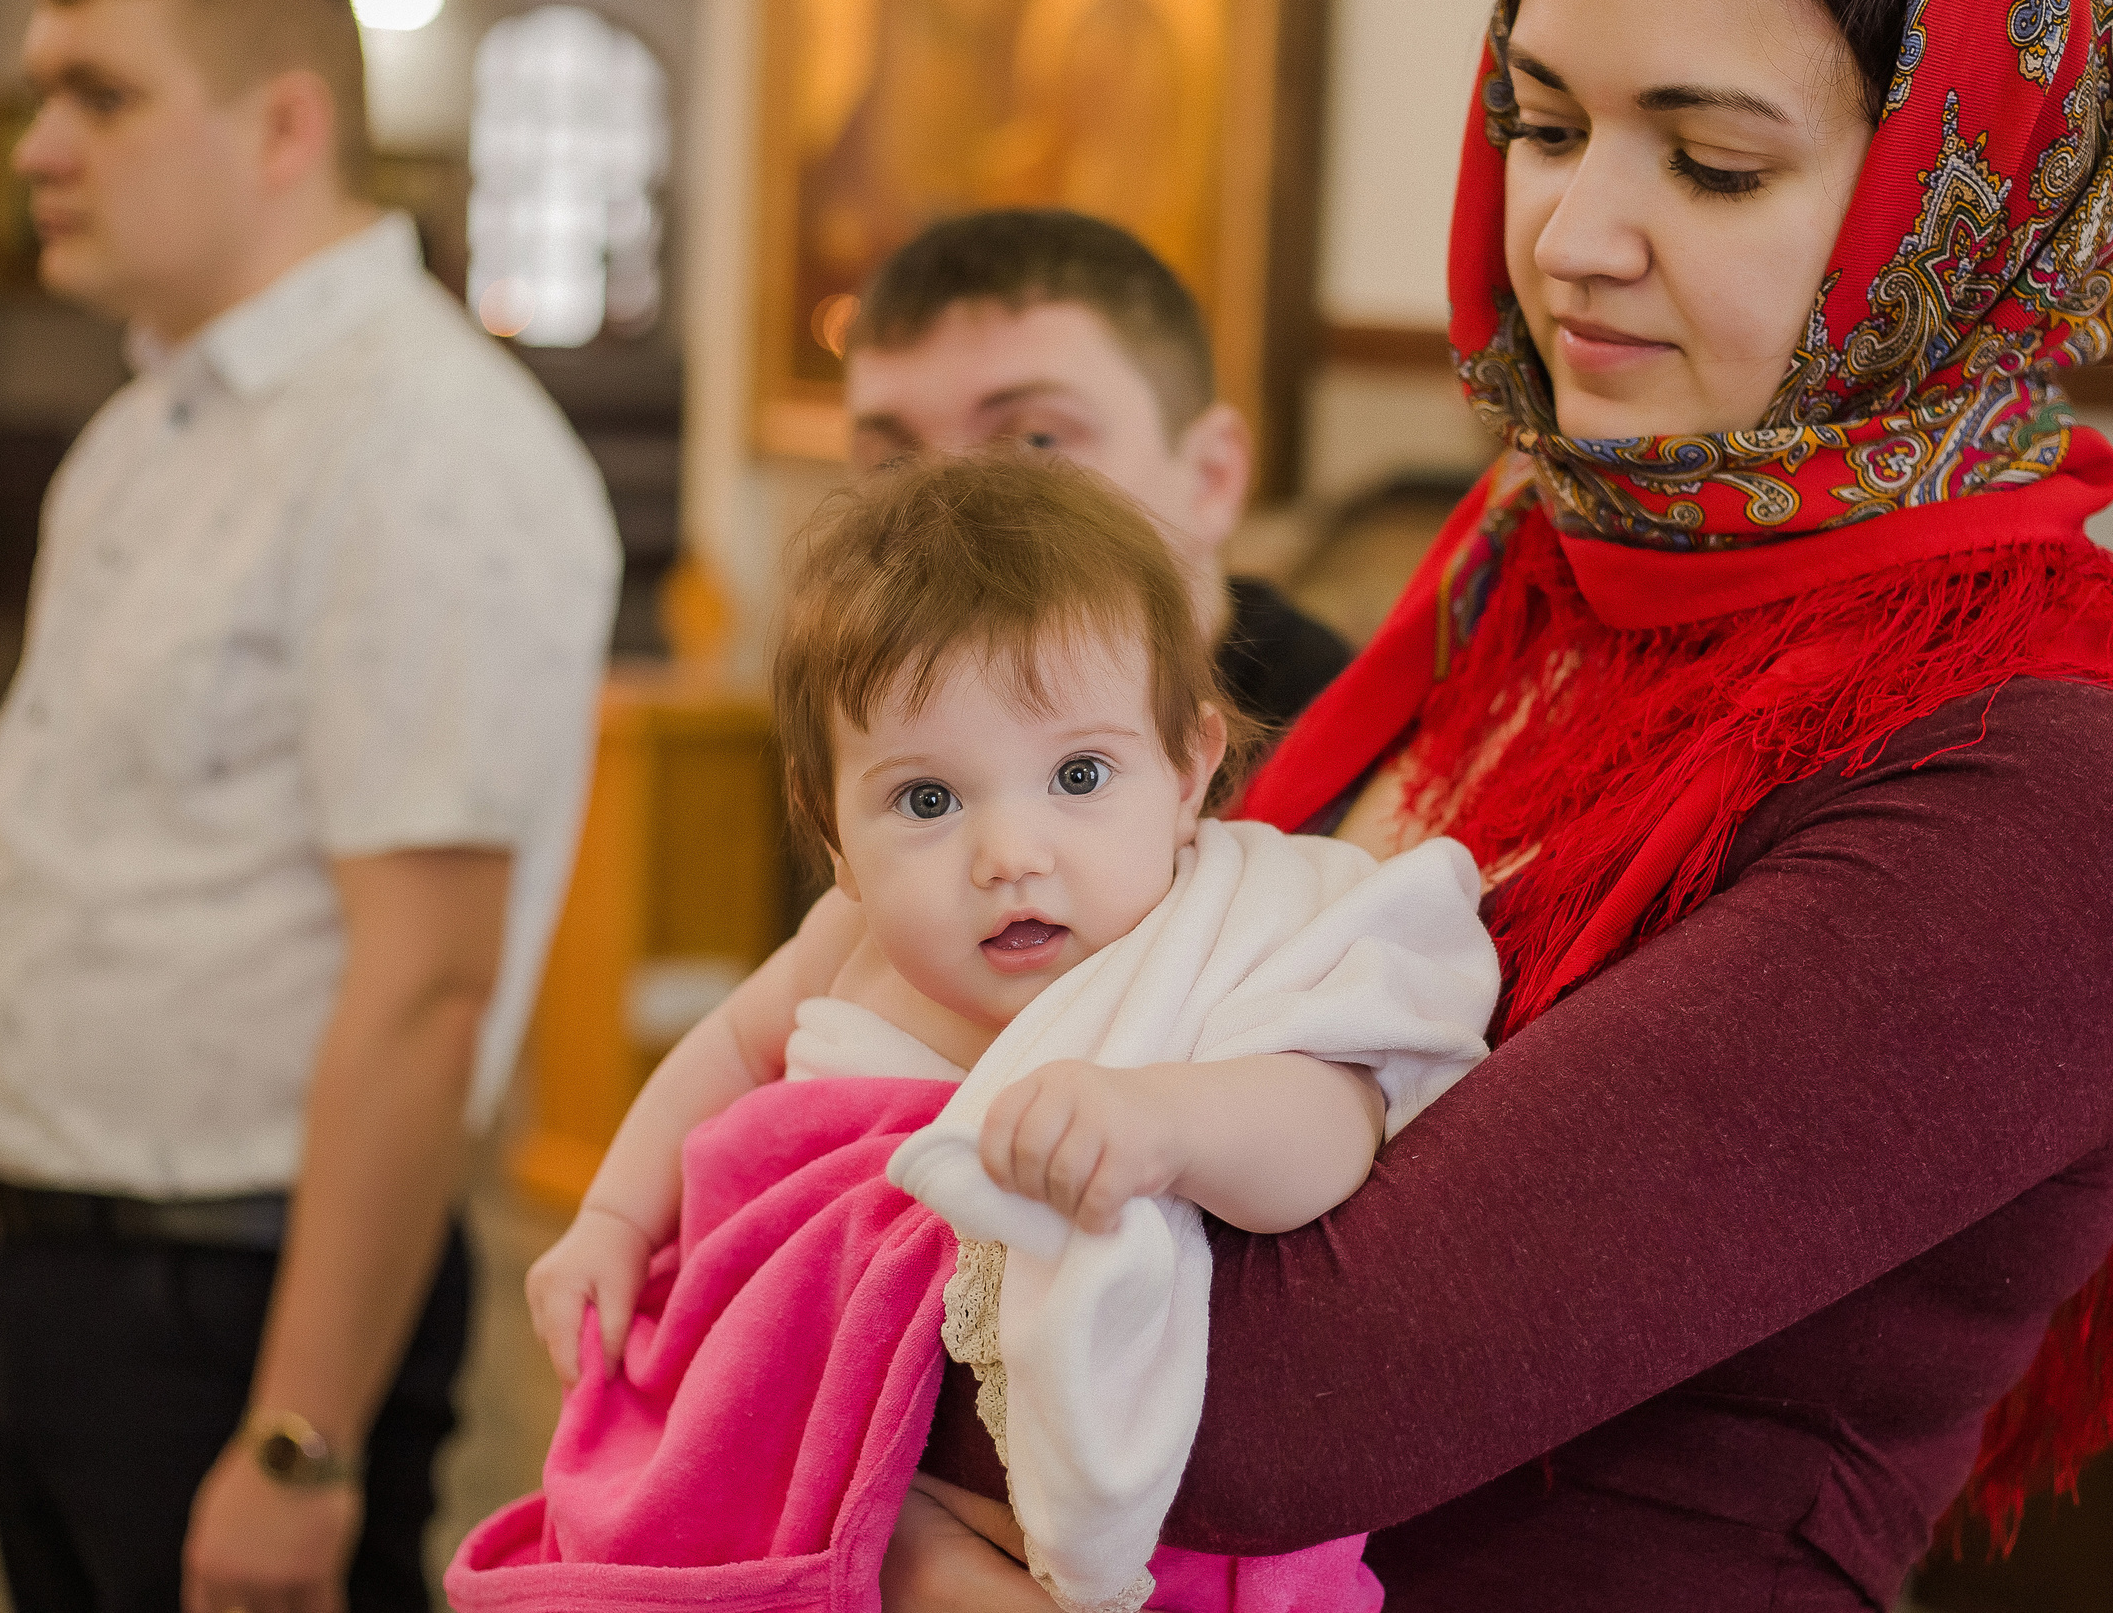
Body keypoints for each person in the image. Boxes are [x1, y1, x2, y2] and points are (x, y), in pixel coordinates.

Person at [891, 0, 2113, 1608]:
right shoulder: (1544, 557)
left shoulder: (2039, 769)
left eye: (1708, 163)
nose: (1572, 239)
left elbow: (1262, 1406)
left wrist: (828, 1421)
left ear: (1958, 201)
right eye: (1544, 126)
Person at [0, 0, 620, 1610]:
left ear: (285, 127)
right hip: (86, 1254)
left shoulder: (426, 449)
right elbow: (114, 868)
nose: (41, 147)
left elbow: (426, 991)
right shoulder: (153, 427)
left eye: (101, 95)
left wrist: (302, 1434)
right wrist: (13, 1242)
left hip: (242, 1302)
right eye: (37, 94)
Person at [458, 452, 1492, 1612]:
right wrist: (611, 1216)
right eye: (928, 801)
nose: (1009, 855)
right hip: (844, 1466)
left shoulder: (1230, 932)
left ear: (1191, 768)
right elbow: (728, 1056)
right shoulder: (843, 946)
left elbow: (1331, 1129)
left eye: (1080, 773)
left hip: (1152, 1528)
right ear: (833, 836)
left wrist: (1166, 1123)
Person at [843, 208, 1353, 734]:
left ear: (1211, 476)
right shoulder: (879, 730)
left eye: (1034, 442)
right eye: (893, 462)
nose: (943, 514)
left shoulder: (1358, 766)